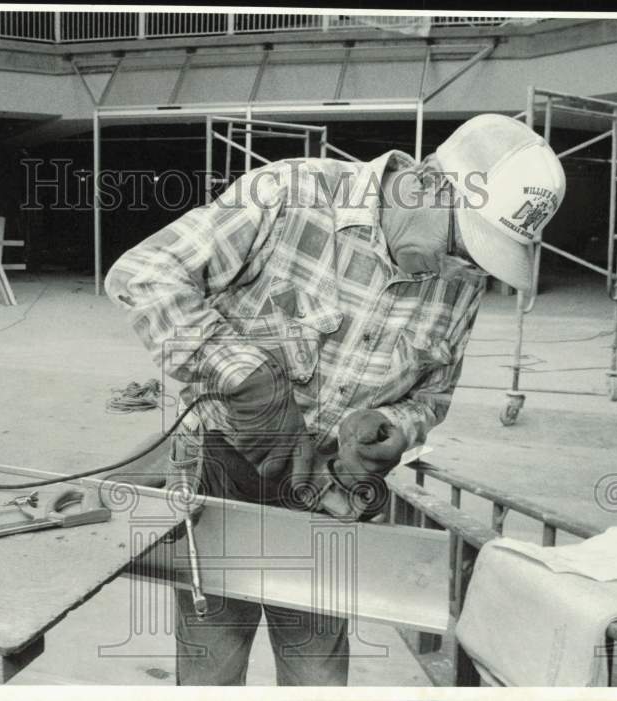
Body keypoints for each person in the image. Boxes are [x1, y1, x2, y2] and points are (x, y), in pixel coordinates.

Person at [105, 113, 566, 686]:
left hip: (329, 496)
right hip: (223, 469)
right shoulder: (289, 194)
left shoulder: (460, 280)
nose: (460, 267)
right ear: (427, 181)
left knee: (318, 675)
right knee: (212, 667)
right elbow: (144, 274)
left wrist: (395, 424)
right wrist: (245, 376)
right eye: (460, 244)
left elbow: (432, 396)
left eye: (476, 258)